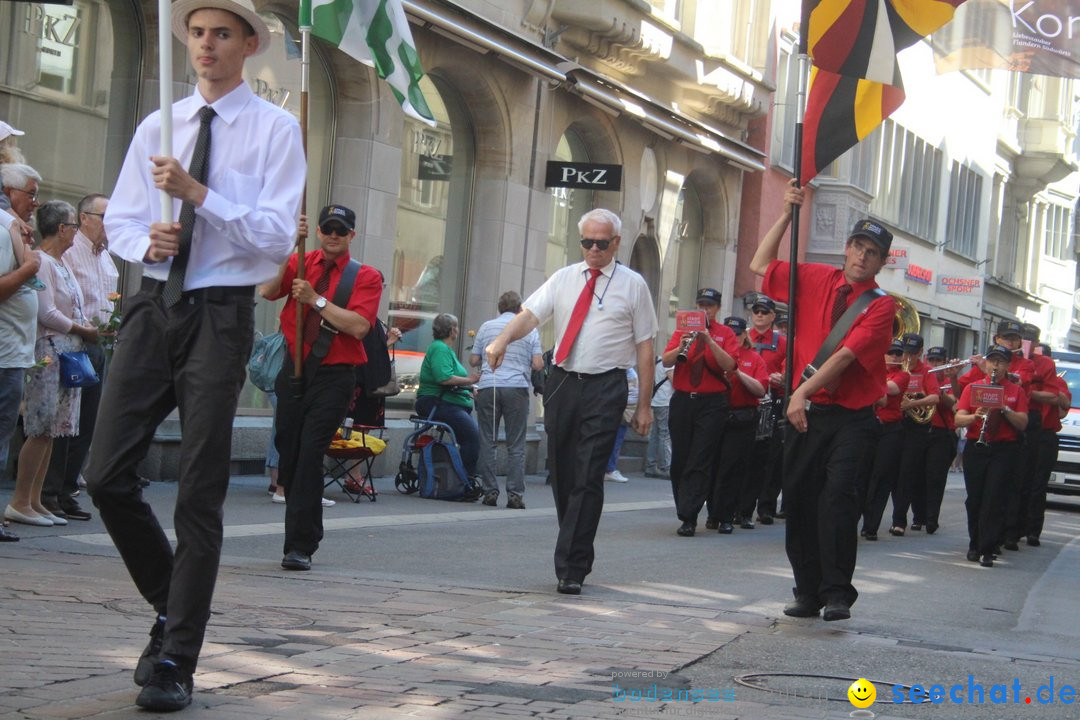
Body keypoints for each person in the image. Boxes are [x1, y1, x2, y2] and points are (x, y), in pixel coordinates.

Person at [84, 0, 305, 711]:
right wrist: (144, 240)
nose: (205, 45)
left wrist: (198, 195)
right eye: (196, 33)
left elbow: (274, 239)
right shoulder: (160, 123)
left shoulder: (276, 130)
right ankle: (169, 602)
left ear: (248, 45)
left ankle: (178, 656)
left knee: (198, 490)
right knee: (105, 472)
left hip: (219, 312)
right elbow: (119, 218)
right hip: (152, 307)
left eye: (220, 34)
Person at [485, 208, 656, 595]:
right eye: (587, 242)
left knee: (588, 473)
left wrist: (643, 405)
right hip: (563, 382)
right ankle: (574, 541)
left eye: (601, 243)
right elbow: (530, 316)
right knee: (562, 471)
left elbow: (646, 347)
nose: (593, 250)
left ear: (615, 243)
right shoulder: (564, 278)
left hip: (606, 386)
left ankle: (572, 566)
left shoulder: (633, 286)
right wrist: (501, 340)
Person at [749, 180, 895, 622]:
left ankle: (836, 593)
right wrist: (788, 213)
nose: (862, 256)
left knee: (837, 499)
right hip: (808, 411)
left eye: (872, 252)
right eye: (858, 247)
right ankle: (806, 591)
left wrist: (799, 392)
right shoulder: (815, 277)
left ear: (881, 262)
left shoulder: (882, 306)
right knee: (798, 497)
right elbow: (760, 263)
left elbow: (847, 354)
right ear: (847, 248)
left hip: (851, 418)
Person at [261, 204, 382, 571]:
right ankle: (307, 532)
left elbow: (359, 326)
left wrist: (315, 299)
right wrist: (287, 246)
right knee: (291, 454)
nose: (333, 235)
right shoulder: (301, 260)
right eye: (327, 228)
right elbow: (267, 289)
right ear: (316, 230)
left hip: (335, 375)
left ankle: (298, 545)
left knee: (312, 452)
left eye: (341, 230)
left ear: (351, 236)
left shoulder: (367, 276)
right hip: (293, 370)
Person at [6, 201, 98, 528]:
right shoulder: (43, 262)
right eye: (74, 224)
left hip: (67, 352)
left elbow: (74, 305)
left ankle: (34, 500)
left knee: (55, 430)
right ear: (62, 228)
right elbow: (46, 312)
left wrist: (87, 325)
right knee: (41, 426)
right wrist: (82, 329)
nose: (76, 231)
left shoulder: (62, 263)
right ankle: (21, 499)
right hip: (48, 351)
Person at [41, 194, 117, 522]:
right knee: (64, 422)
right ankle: (50, 491)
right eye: (104, 216)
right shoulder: (69, 252)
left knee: (87, 421)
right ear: (84, 218)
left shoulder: (107, 257)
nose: (109, 224)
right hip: (73, 340)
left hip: (100, 344)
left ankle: (68, 489)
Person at [660, 287, 737, 537]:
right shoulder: (682, 330)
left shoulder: (725, 334)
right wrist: (682, 344)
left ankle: (689, 516)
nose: (705, 310)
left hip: (712, 403)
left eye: (710, 306)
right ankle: (684, 507)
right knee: (680, 460)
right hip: (683, 400)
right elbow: (667, 361)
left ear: (717, 309)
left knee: (699, 459)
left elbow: (729, 365)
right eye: (702, 305)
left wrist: (709, 341)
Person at [954, 344, 1029, 567]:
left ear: (1008, 365)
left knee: (994, 498)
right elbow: (958, 420)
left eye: (1001, 361)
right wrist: (974, 417)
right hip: (977, 447)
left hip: (1003, 449)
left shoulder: (1016, 391)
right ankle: (974, 543)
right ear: (986, 363)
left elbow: (1023, 423)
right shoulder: (973, 388)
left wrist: (1005, 409)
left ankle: (987, 548)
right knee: (975, 499)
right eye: (992, 361)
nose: (996, 365)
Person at [469, 291, 543, 509]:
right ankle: (515, 494)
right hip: (516, 388)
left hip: (489, 386)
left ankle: (490, 491)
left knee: (487, 440)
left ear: (499, 308)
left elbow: (474, 360)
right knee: (516, 443)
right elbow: (538, 364)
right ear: (520, 308)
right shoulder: (529, 330)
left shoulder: (485, 327)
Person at [0, 189, 40, 541]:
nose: (34, 202)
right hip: (4, 355)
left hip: (12, 355)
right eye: (30, 193)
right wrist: (29, 266)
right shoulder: (4, 228)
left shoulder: (12, 228)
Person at [709, 316, 768, 533]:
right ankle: (713, 513)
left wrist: (738, 372)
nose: (733, 337)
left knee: (732, 468)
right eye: (730, 334)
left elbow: (761, 390)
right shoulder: (717, 353)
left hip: (742, 417)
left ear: (745, 336)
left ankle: (727, 515)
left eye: (737, 334)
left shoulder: (754, 358)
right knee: (713, 465)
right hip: (716, 414)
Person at [416, 313, 482, 480]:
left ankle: (461, 477)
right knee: (472, 437)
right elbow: (443, 378)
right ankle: (465, 480)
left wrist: (469, 389)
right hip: (435, 403)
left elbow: (451, 381)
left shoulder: (445, 349)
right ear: (453, 330)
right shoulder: (440, 348)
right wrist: (470, 379)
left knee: (470, 436)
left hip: (447, 402)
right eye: (457, 327)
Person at [890, 333, 941, 536]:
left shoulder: (926, 371)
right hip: (895, 424)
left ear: (920, 353)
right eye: (905, 353)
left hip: (915, 427)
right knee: (893, 473)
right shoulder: (894, 369)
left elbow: (935, 397)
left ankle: (899, 520)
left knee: (907, 473)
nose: (908, 357)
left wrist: (912, 403)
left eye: (912, 353)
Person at [860, 340, 909, 540]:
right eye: (890, 353)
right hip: (868, 427)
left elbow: (889, 391)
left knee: (881, 477)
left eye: (898, 354)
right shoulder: (873, 369)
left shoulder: (903, 375)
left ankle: (871, 526)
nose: (895, 357)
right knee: (861, 475)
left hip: (890, 429)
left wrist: (871, 377)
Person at [748, 294, 787, 525]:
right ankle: (742, 505)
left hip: (773, 401)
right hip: (748, 400)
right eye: (756, 311)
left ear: (772, 316)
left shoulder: (782, 342)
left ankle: (766, 507)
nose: (760, 315)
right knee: (746, 454)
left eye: (764, 312)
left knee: (771, 457)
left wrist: (782, 377)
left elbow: (788, 368)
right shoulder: (745, 338)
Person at [922, 346, 960, 534]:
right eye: (932, 361)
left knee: (935, 478)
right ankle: (918, 515)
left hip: (941, 433)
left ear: (944, 363)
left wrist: (937, 391)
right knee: (916, 475)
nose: (934, 364)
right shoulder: (920, 377)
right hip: (921, 430)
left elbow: (955, 403)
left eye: (938, 361)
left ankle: (931, 519)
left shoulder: (949, 382)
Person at [603, 367, 638, 484]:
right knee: (616, 440)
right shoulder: (620, 370)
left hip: (625, 408)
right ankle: (609, 469)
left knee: (617, 439)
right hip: (621, 408)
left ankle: (609, 468)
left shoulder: (626, 369)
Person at [644, 356, 674, 479]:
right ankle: (665, 467)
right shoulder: (670, 362)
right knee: (665, 435)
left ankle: (650, 467)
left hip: (657, 401)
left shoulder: (659, 361)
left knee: (655, 435)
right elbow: (675, 381)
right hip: (665, 402)